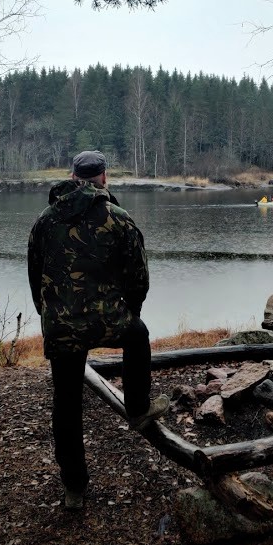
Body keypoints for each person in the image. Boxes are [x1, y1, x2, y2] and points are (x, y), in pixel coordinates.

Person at [27, 150, 170, 511]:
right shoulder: (118, 218)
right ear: (103, 177)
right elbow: (139, 278)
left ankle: (74, 488)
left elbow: (34, 275)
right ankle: (138, 409)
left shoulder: (45, 221)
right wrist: (129, 312)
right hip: (108, 319)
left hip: (61, 327)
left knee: (66, 403)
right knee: (137, 334)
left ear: (74, 177)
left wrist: (50, 316)